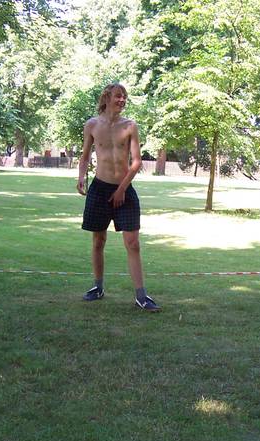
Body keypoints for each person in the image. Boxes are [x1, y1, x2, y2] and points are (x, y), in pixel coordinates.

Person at [76, 82, 161, 312]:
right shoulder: (92, 125)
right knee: (98, 240)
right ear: (106, 97)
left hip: (125, 189)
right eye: (117, 96)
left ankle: (141, 296)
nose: (122, 100)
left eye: (124, 97)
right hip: (99, 189)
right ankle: (98, 287)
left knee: (133, 243)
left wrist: (122, 189)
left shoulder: (130, 126)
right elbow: (85, 156)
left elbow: (136, 162)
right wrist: (81, 177)